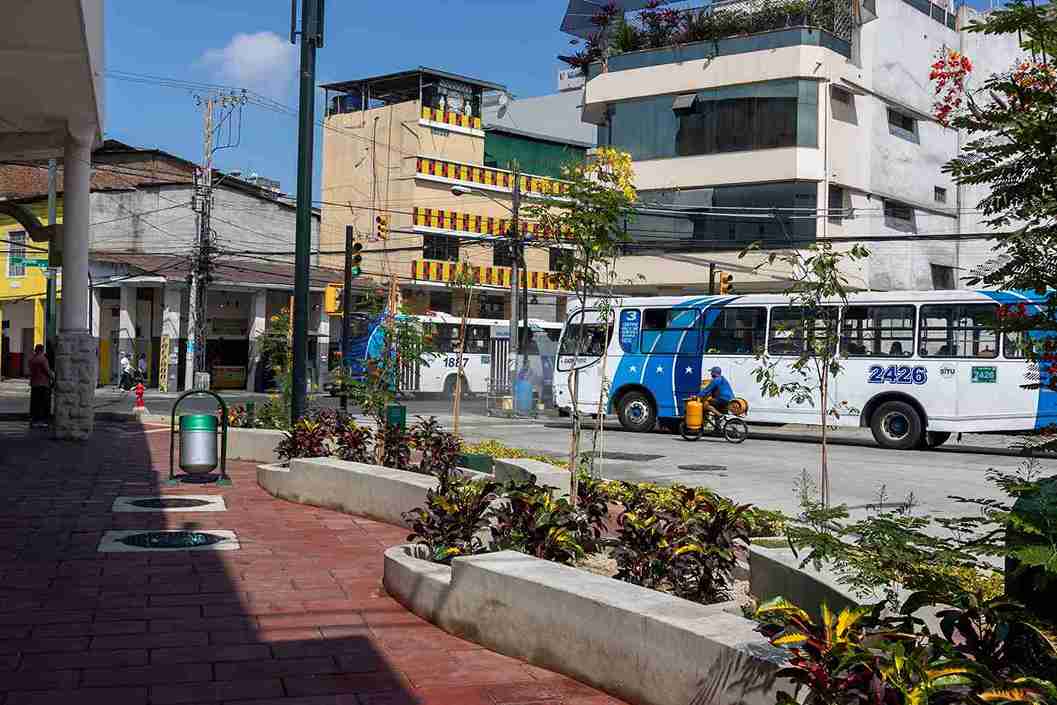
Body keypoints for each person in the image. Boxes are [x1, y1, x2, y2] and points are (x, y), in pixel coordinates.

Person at [28, 344, 54, 428]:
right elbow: (47, 371)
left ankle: (34, 419)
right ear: (42, 350)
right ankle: (41, 420)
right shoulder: (43, 359)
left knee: (35, 403)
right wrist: (54, 378)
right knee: (43, 403)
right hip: (43, 384)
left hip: (34, 383)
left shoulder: (32, 359)